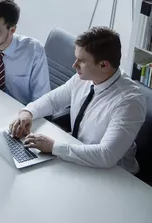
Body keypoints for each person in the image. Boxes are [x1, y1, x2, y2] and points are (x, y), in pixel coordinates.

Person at [9, 26, 147, 174]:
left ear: (103, 65)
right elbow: (52, 101)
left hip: (115, 175)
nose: (74, 65)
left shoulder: (129, 102)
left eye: (81, 61)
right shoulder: (85, 78)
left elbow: (106, 155)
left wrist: (53, 147)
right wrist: (28, 112)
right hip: (78, 156)